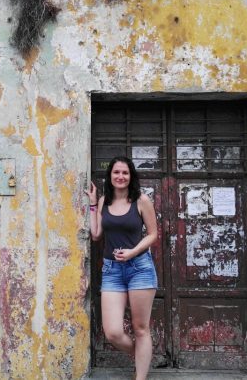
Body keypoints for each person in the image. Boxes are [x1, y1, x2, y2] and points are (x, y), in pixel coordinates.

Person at [86, 156, 158, 380]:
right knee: (113, 332)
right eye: (116, 172)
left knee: (140, 328)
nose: (120, 176)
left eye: (125, 172)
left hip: (140, 268)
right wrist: (93, 204)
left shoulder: (141, 201)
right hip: (112, 271)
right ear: (110, 175)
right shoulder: (104, 201)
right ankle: (142, 356)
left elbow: (153, 234)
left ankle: (140, 376)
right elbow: (96, 235)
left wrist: (133, 252)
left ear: (131, 176)